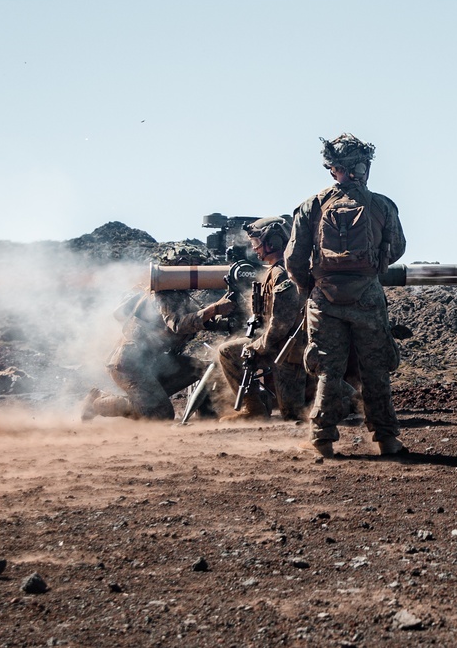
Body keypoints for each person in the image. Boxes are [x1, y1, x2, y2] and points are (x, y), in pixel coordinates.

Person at [284, 133, 407, 458]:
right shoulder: (381, 205)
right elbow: (396, 249)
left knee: (328, 369)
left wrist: (310, 288)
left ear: (332, 168)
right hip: (367, 297)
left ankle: (322, 438)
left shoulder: (312, 206)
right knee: (375, 369)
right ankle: (386, 439)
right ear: (365, 166)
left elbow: (294, 258)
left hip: (325, 301)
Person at [82, 247, 235, 421]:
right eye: (188, 264)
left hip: (156, 363)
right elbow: (177, 325)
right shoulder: (163, 296)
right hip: (131, 365)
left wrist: (226, 320)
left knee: (202, 368)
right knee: (160, 415)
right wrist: (214, 309)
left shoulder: (180, 297)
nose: (194, 267)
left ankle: (207, 415)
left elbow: (197, 321)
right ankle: (98, 402)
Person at [216, 216, 307, 421]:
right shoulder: (273, 271)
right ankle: (254, 409)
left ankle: (351, 400)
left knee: (293, 415)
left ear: (273, 242)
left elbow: (281, 322)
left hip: (289, 349)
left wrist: (259, 345)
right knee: (228, 352)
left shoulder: (283, 273)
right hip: (276, 344)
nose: (254, 248)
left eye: (257, 242)